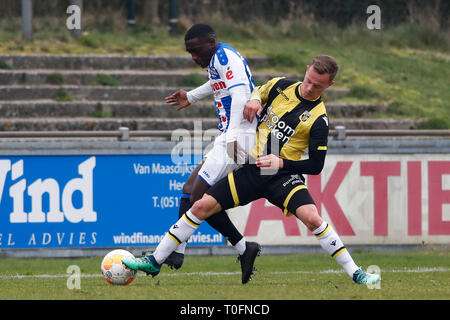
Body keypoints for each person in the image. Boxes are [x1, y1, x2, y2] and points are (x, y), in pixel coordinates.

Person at [123, 54, 381, 285]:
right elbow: (257, 89)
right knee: (200, 205)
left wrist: (280, 162)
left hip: (282, 176)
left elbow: (315, 165)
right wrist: (255, 100)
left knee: (313, 218)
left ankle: (356, 272)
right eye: (309, 80)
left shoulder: (319, 119)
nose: (310, 87)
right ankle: (155, 261)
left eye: (318, 86)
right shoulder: (281, 85)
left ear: (329, 86)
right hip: (250, 169)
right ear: (306, 70)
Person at [161, 23, 261, 284]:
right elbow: (216, 83)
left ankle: (174, 252)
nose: (194, 56)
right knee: (189, 189)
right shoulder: (218, 59)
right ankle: (241, 248)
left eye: (196, 50)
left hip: (236, 139)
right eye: (189, 52)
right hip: (230, 136)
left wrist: (231, 139)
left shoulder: (225, 57)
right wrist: (191, 97)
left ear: (211, 41)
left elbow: (241, 96)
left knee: (199, 198)